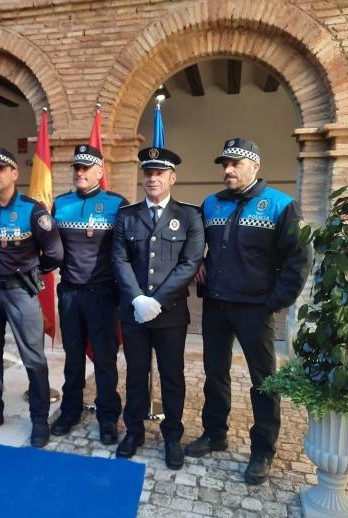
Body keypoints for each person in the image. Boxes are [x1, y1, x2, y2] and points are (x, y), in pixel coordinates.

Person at [184, 138, 311, 484]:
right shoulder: (210, 204)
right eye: (225, 164)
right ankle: (215, 433)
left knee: (264, 381)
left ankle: (263, 449)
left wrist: (276, 301)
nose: (228, 170)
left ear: (255, 166)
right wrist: (197, 262)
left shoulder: (280, 205)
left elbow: (300, 257)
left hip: (256, 308)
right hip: (216, 304)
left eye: (236, 164)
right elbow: (193, 241)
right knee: (215, 372)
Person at [112, 146, 204, 469]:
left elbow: (190, 263)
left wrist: (157, 301)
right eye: (148, 172)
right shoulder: (127, 215)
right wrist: (138, 299)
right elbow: (119, 258)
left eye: (159, 173)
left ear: (172, 177)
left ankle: (172, 437)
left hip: (171, 314)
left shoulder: (189, 216)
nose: (152, 178)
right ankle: (134, 431)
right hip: (134, 312)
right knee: (136, 374)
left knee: (172, 376)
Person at [0, 147, 63, 448]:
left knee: (33, 359)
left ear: (14, 174)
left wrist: (31, 274)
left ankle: (38, 419)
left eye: (0, 169)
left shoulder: (32, 210)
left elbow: (54, 252)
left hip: (21, 293)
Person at [50, 144, 126, 445]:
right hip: (70, 292)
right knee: (72, 358)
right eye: (76, 168)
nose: (80, 173)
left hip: (103, 294)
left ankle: (108, 417)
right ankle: (71, 410)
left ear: (100, 172)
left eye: (86, 168)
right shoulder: (60, 204)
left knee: (105, 360)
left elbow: (125, 250)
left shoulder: (117, 204)